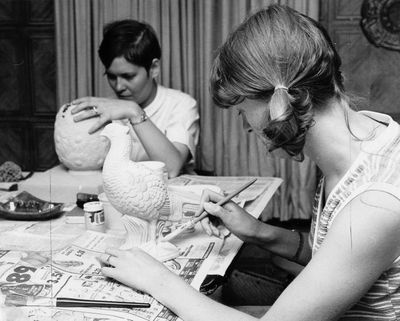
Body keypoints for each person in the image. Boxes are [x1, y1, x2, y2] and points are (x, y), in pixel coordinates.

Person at [98, 4, 400, 320]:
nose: (245, 127)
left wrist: (157, 279)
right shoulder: (361, 135)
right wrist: (256, 231)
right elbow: (336, 256)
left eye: (243, 111)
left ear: (278, 102)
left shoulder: (373, 204)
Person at [70, 19, 199, 178]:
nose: (118, 87)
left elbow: (171, 168)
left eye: (128, 76)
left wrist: (133, 111)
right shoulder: (105, 110)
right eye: (111, 76)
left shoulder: (181, 105)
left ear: (154, 69)